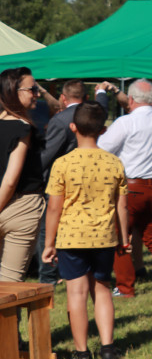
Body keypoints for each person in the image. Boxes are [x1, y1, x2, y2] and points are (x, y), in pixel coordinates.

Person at [42, 101, 128, 359]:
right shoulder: (114, 163)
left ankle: (82, 353)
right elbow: (121, 206)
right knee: (101, 290)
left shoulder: (62, 164)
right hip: (104, 237)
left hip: (71, 238)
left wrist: (48, 243)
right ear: (103, 129)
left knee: (76, 294)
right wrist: (124, 238)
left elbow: (54, 208)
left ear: (72, 127)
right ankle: (108, 349)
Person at [98, 79, 152, 297]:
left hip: (131, 189)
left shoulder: (125, 123)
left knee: (119, 237)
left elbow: (102, 149)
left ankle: (125, 287)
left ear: (131, 99)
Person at [36, 80, 111, 284]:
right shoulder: (98, 113)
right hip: (97, 180)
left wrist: (33, 178)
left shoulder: (60, 120)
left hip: (62, 181)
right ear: (86, 98)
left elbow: (47, 154)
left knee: (47, 228)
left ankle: (49, 276)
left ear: (63, 97)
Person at [0, 68, 47, 284]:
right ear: (13, 92)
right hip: (20, 206)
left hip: (10, 203)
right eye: (33, 89)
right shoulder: (23, 129)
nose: (37, 93)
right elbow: (10, 180)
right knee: (10, 284)